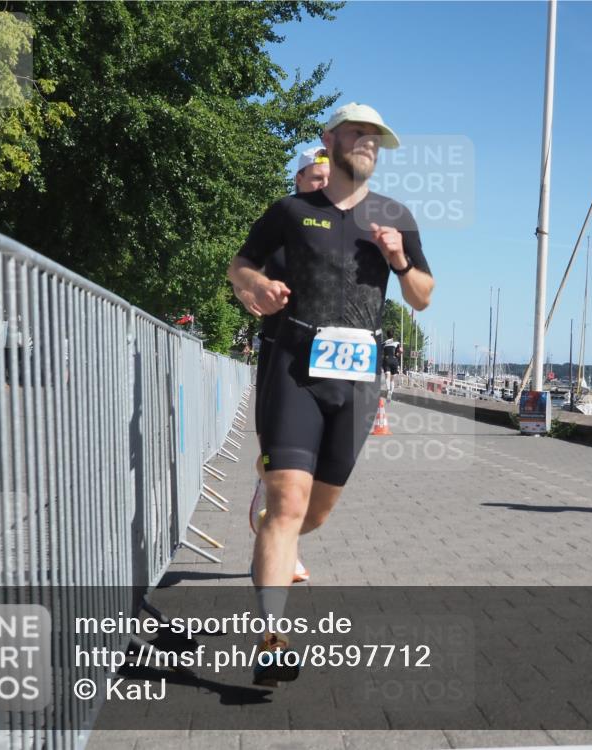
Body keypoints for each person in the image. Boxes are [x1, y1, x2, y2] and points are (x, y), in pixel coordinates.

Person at [228, 102, 434, 685]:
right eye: (358, 133)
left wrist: (398, 260)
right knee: (289, 504)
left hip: (358, 380)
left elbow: (422, 295)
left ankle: (271, 530)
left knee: (312, 514)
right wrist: (256, 286)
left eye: (376, 137)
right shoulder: (292, 210)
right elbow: (238, 264)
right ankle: (271, 638)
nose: (367, 142)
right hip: (294, 366)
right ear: (330, 140)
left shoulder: (395, 215)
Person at [237, 146, 330, 584]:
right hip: (283, 355)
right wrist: (250, 290)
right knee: (288, 472)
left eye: (329, 180)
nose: (323, 187)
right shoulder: (282, 223)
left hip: (333, 370)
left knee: (315, 473)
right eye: (315, 178)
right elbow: (243, 270)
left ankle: (277, 522)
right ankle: (280, 549)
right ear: (297, 179)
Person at [381, 329, 400, 401]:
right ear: (393, 335)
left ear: (387, 335)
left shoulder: (384, 343)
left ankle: (388, 390)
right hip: (394, 360)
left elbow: (379, 349)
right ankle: (391, 393)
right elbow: (400, 351)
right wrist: (397, 355)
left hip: (386, 360)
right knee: (392, 379)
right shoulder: (397, 343)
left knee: (387, 377)